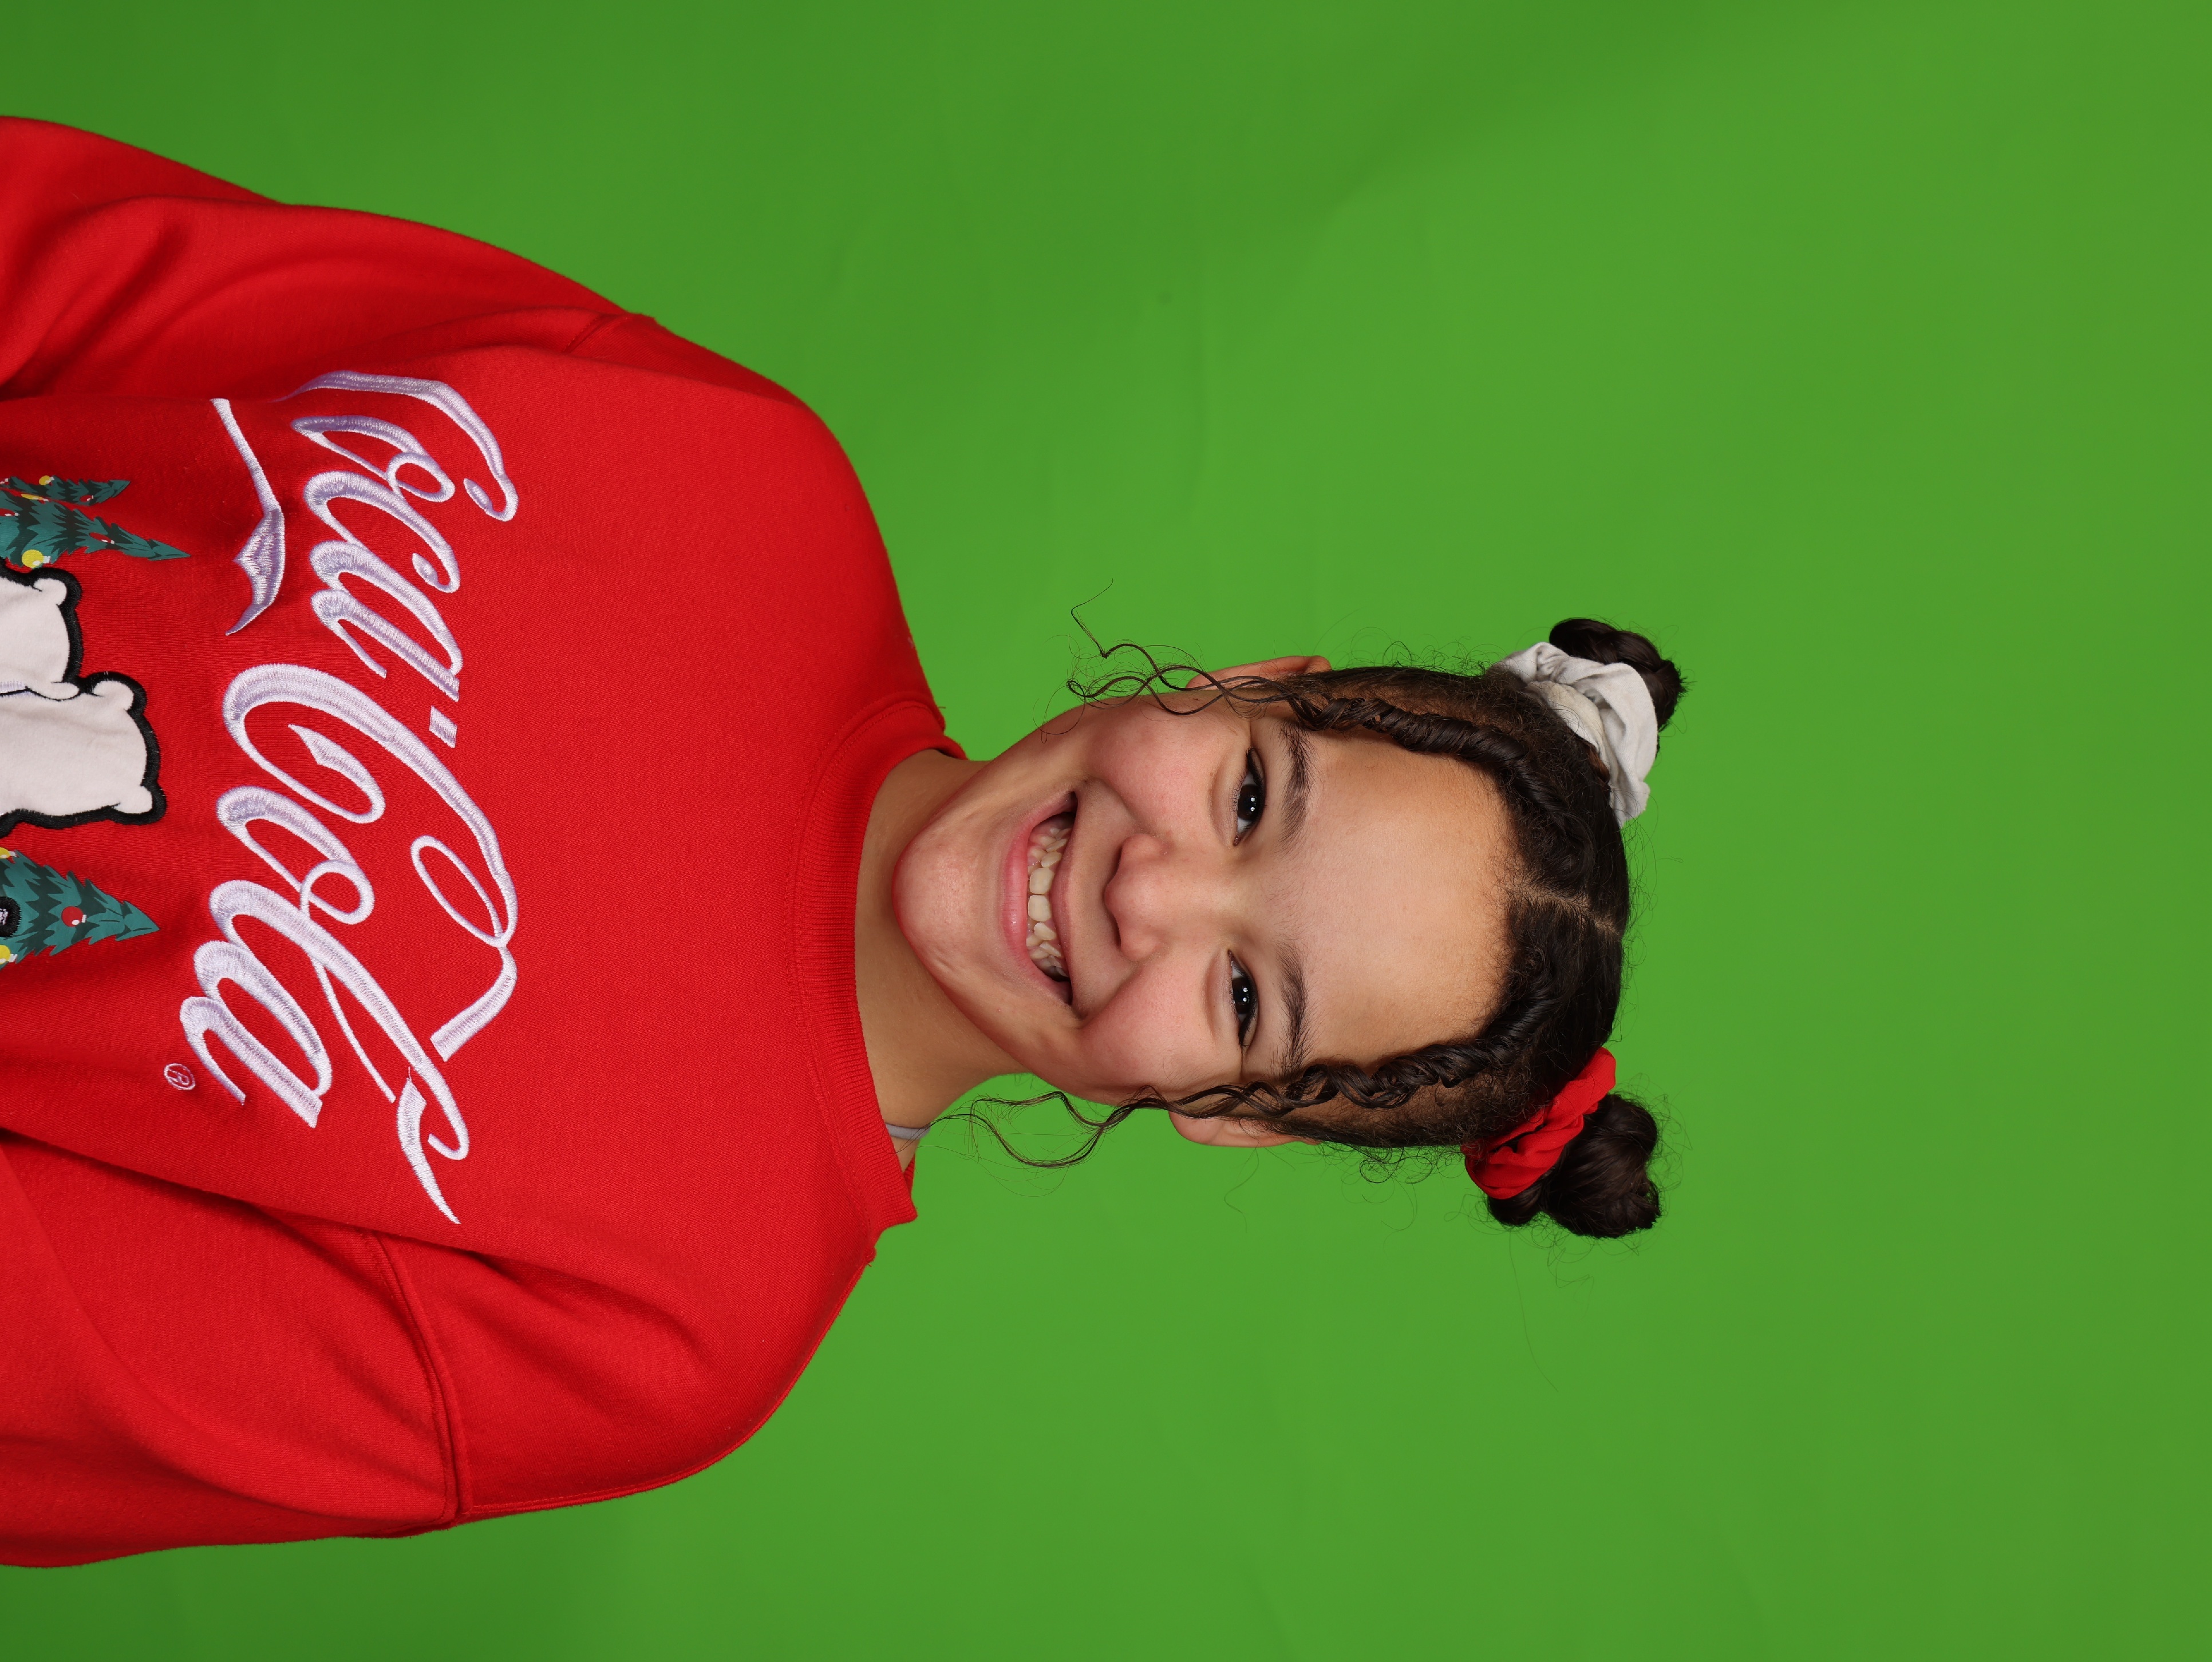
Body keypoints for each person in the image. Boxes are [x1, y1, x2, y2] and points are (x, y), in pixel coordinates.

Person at [0, 118, 1684, 1567]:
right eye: (1251, 799)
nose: (1150, 888)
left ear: (1238, 1116)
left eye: (1248, 996)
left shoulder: (665, 1335)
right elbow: (75, 264)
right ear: (1250, 685)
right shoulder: (744, 476)